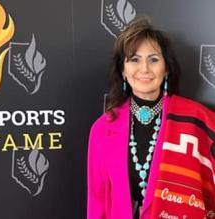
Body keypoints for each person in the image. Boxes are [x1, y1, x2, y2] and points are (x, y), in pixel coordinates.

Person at [87, 17, 215, 219]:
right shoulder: (103, 128)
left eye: (153, 59)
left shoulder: (194, 120)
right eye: (134, 59)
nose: (144, 68)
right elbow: (97, 202)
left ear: (166, 69)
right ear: (123, 69)